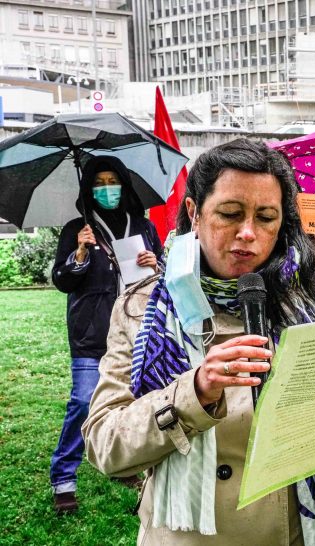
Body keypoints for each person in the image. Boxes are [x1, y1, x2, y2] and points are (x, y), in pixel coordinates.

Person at [82, 139, 315, 545]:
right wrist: (193, 393)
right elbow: (104, 444)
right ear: (194, 214)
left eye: (266, 217)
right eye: (230, 214)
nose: (248, 234)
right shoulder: (145, 307)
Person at [50, 156, 162, 514]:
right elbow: (61, 280)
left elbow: (162, 273)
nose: (107, 188)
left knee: (134, 399)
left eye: (112, 181)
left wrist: (155, 264)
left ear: (124, 184)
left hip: (136, 328)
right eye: (98, 182)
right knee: (83, 401)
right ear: (88, 188)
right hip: (91, 330)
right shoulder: (76, 228)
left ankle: (125, 462)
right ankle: (64, 477)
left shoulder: (143, 226)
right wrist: (79, 253)